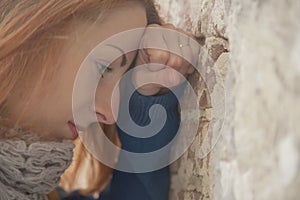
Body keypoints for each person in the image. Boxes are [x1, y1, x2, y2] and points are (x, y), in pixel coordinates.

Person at [0, 0, 197, 199]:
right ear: (31, 30)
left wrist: (146, 98)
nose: (109, 115)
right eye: (104, 68)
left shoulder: (31, 187)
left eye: (122, 87)